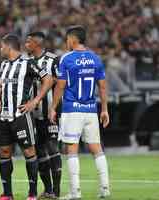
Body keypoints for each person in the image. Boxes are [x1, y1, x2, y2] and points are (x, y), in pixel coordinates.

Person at [49, 25, 110, 200]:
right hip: (91, 110)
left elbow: (60, 85)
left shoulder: (66, 59)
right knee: (96, 148)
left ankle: (75, 192)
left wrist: (53, 107)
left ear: (73, 39)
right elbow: (103, 86)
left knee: (71, 149)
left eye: (67, 39)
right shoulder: (95, 58)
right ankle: (105, 188)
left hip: (72, 109)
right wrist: (104, 109)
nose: (66, 42)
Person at [0, 34, 54, 200]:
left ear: (9, 47)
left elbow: (48, 79)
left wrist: (35, 101)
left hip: (21, 116)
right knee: (4, 152)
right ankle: (7, 194)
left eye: (2, 46)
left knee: (29, 151)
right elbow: (1, 84)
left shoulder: (28, 63)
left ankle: (32, 193)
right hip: (4, 117)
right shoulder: (4, 64)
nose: (0, 49)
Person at [25, 31, 62, 199]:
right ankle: (48, 190)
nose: (26, 45)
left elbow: (61, 83)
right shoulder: (26, 61)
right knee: (39, 151)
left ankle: (57, 190)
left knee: (53, 147)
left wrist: (54, 106)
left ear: (36, 43)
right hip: (33, 115)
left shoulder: (54, 59)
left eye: (28, 42)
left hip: (50, 112)